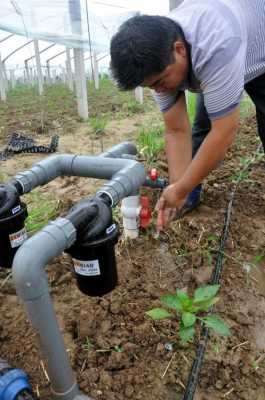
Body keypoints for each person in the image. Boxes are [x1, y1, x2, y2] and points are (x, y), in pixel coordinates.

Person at [110, 0, 265, 231]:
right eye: (151, 87)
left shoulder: (217, 47)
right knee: (202, 127)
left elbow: (224, 132)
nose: (159, 90)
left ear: (179, 50)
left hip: (257, 48)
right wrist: (176, 188)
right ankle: (188, 196)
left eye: (160, 82)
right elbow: (176, 129)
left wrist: (180, 189)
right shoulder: (158, 64)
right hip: (216, 53)